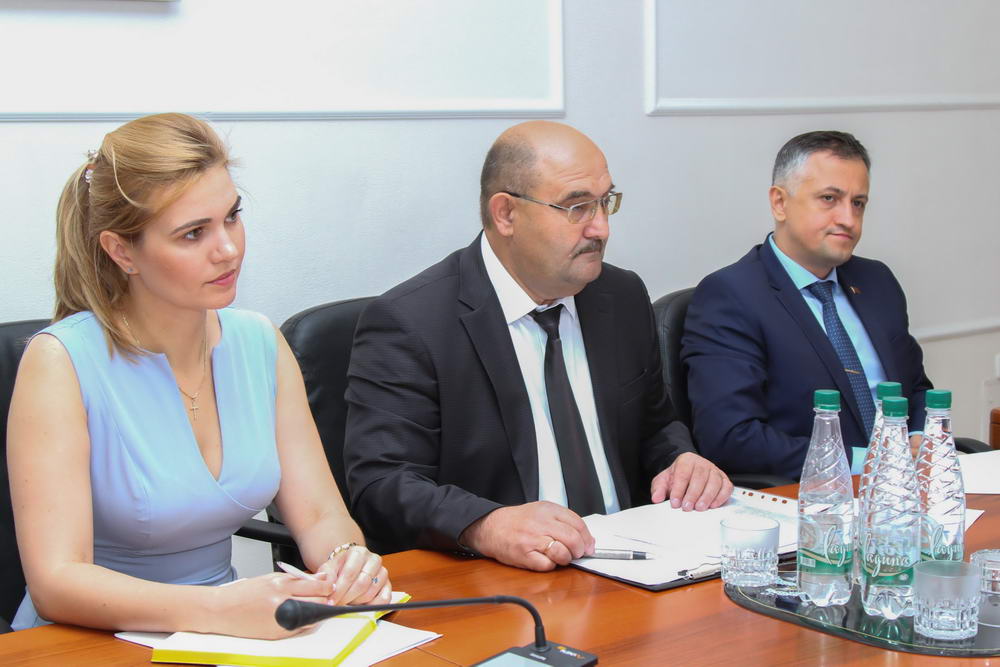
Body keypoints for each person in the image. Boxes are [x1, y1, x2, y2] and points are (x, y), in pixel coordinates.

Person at [8, 113, 390, 638]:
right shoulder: (60, 362)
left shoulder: (259, 342)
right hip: (86, 641)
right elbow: (56, 582)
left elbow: (322, 515)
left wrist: (348, 560)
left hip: (223, 635)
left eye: (232, 217)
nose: (228, 249)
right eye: (193, 233)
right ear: (121, 251)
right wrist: (217, 611)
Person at [343, 120, 732, 572]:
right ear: (506, 214)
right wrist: (485, 524)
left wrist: (682, 460)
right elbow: (383, 484)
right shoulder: (412, 323)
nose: (601, 228)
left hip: (632, 562)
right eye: (577, 207)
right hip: (501, 579)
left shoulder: (620, 296)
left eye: (605, 202)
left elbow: (653, 425)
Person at [681, 130, 932, 481]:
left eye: (858, 203)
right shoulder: (731, 295)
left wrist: (920, 437)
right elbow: (731, 437)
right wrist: (866, 462)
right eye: (829, 198)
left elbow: (916, 389)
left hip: (904, 488)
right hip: (810, 494)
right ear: (779, 203)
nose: (848, 219)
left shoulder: (877, 281)